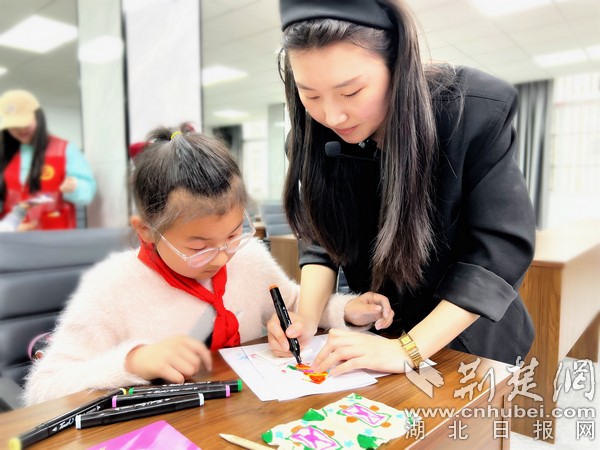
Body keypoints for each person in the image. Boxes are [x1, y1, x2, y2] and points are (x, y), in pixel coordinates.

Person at [23, 127, 392, 406]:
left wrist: (347, 308)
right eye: (198, 247)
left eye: (233, 234)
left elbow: (296, 305)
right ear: (147, 232)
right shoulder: (113, 288)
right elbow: (43, 388)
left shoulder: (248, 259)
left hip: (249, 412)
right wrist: (135, 361)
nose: (221, 257)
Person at [267, 0, 536, 376]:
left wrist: (407, 350)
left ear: (397, 65)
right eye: (309, 95)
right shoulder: (311, 136)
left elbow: (497, 252)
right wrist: (307, 318)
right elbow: (321, 234)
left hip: (467, 339)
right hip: (378, 333)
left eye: (351, 92)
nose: (332, 116)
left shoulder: (468, 113)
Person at [0, 89, 96, 230]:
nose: (20, 129)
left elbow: (87, 193)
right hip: (12, 239)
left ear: (38, 117)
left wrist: (75, 187)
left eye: (24, 123)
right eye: (14, 126)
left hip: (55, 238)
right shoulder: (4, 155)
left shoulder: (65, 149)